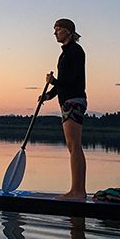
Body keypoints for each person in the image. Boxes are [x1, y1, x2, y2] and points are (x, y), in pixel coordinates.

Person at [40, 18, 87, 200]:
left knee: (74, 146)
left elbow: (73, 81)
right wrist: (49, 95)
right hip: (68, 100)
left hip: (74, 100)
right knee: (72, 146)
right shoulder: (65, 54)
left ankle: (77, 192)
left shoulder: (75, 51)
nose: (55, 33)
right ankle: (77, 191)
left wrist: (54, 82)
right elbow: (63, 83)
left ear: (68, 31)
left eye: (58, 29)